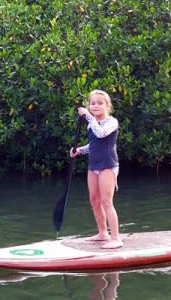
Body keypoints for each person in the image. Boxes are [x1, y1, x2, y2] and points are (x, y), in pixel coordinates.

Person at [70, 89, 123, 249]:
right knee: (94, 200)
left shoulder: (111, 122)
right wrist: (79, 150)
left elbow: (101, 134)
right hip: (94, 165)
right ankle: (102, 233)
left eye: (100, 103)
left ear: (107, 105)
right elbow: (93, 144)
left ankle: (116, 239)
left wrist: (88, 116)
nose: (95, 106)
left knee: (107, 201)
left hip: (108, 165)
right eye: (92, 103)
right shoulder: (91, 124)